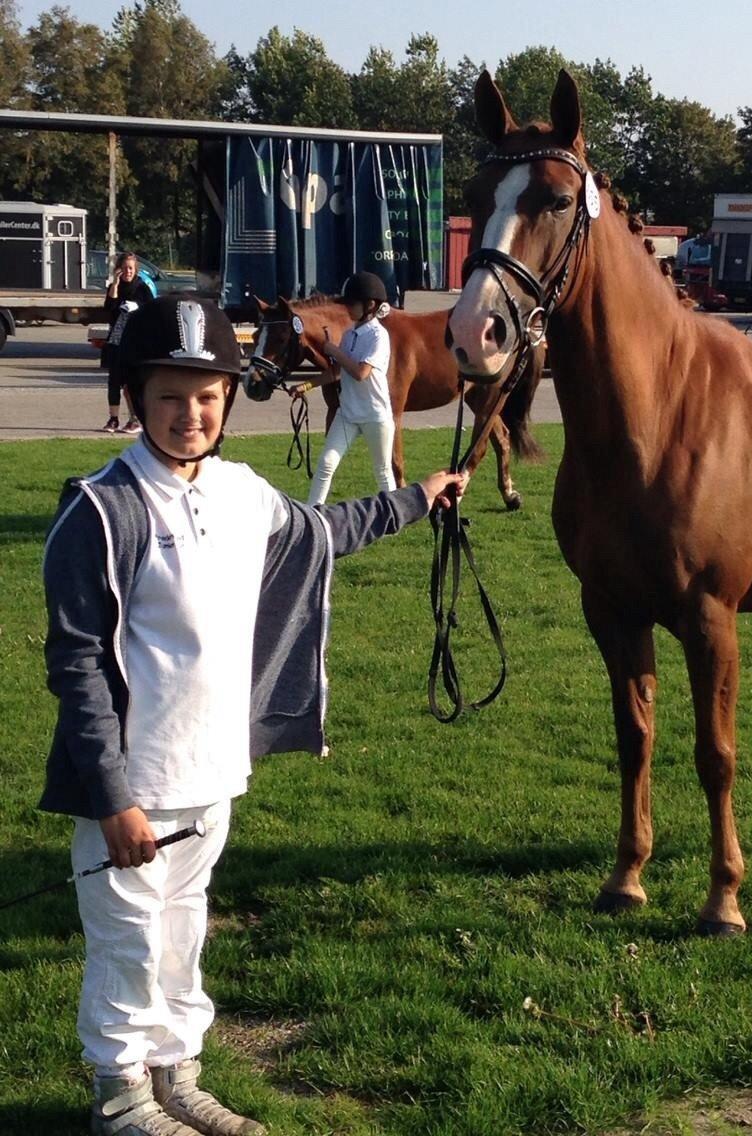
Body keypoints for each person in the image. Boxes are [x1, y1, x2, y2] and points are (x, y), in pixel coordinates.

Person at [41, 295, 466, 1136]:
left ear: (229, 400)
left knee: (181, 930)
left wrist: (418, 497)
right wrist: (112, 796)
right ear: (138, 396)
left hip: (211, 771)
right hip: (132, 785)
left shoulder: (242, 493)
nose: (190, 413)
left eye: (207, 396)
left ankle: (175, 1078)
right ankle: (119, 1096)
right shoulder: (100, 508)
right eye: (170, 395)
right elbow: (77, 665)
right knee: (126, 939)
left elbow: (323, 531)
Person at [297, 271, 396, 506]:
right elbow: (338, 372)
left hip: (375, 414)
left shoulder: (378, 336)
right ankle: (313, 514)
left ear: (370, 305)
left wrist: (333, 350)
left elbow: (361, 373)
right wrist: (306, 386)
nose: (347, 308)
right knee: (326, 463)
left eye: (352, 304)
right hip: (348, 413)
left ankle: (395, 516)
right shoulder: (350, 334)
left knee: (382, 471)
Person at [100, 252, 154, 435]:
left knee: (130, 384)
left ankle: (135, 419)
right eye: (124, 268)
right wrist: (114, 284)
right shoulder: (116, 286)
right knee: (113, 381)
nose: (127, 272)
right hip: (116, 339)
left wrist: (138, 308)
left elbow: (152, 310)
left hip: (134, 340)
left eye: (130, 268)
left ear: (136, 269)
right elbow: (109, 307)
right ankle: (113, 419)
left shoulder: (142, 287)